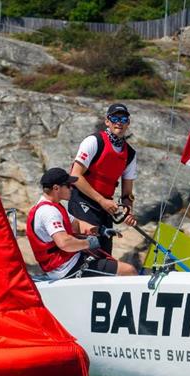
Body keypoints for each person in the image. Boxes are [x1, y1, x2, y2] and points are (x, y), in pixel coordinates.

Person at [27, 168, 136, 280]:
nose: (72, 188)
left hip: (71, 262)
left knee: (112, 264)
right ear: (56, 188)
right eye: (68, 185)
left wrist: (100, 230)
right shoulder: (49, 212)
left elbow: (77, 225)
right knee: (128, 271)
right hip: (66, 269)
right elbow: (64, 243)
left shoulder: (53, 207)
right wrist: (87, 243)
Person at [68, 103, 138, 255]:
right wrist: (101, 200)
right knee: (88, 250)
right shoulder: (94, 141)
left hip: (106, 206)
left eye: (123, 118)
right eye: (114, 118)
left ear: (128, 123)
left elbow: (127, 193)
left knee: (105, 252)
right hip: (82, 200)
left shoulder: (130, 154)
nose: (119, 122)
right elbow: (75, 175)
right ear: (107, 121)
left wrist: (128, 211)